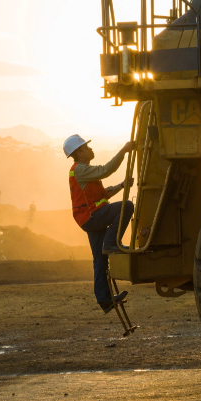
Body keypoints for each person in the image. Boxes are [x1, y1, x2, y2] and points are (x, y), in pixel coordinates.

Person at [63, 134, 135, 314]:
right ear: (79, 153)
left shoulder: (82, 170)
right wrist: (124, 151)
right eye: (86, 147)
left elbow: (103, 196)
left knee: (100, 259)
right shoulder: (79, 169)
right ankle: (112, 243)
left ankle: (104, 299)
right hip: (92, 217)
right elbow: (106, 170)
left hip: (89, 218)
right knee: (126, 206)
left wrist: (121, 186)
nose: (90, 149)